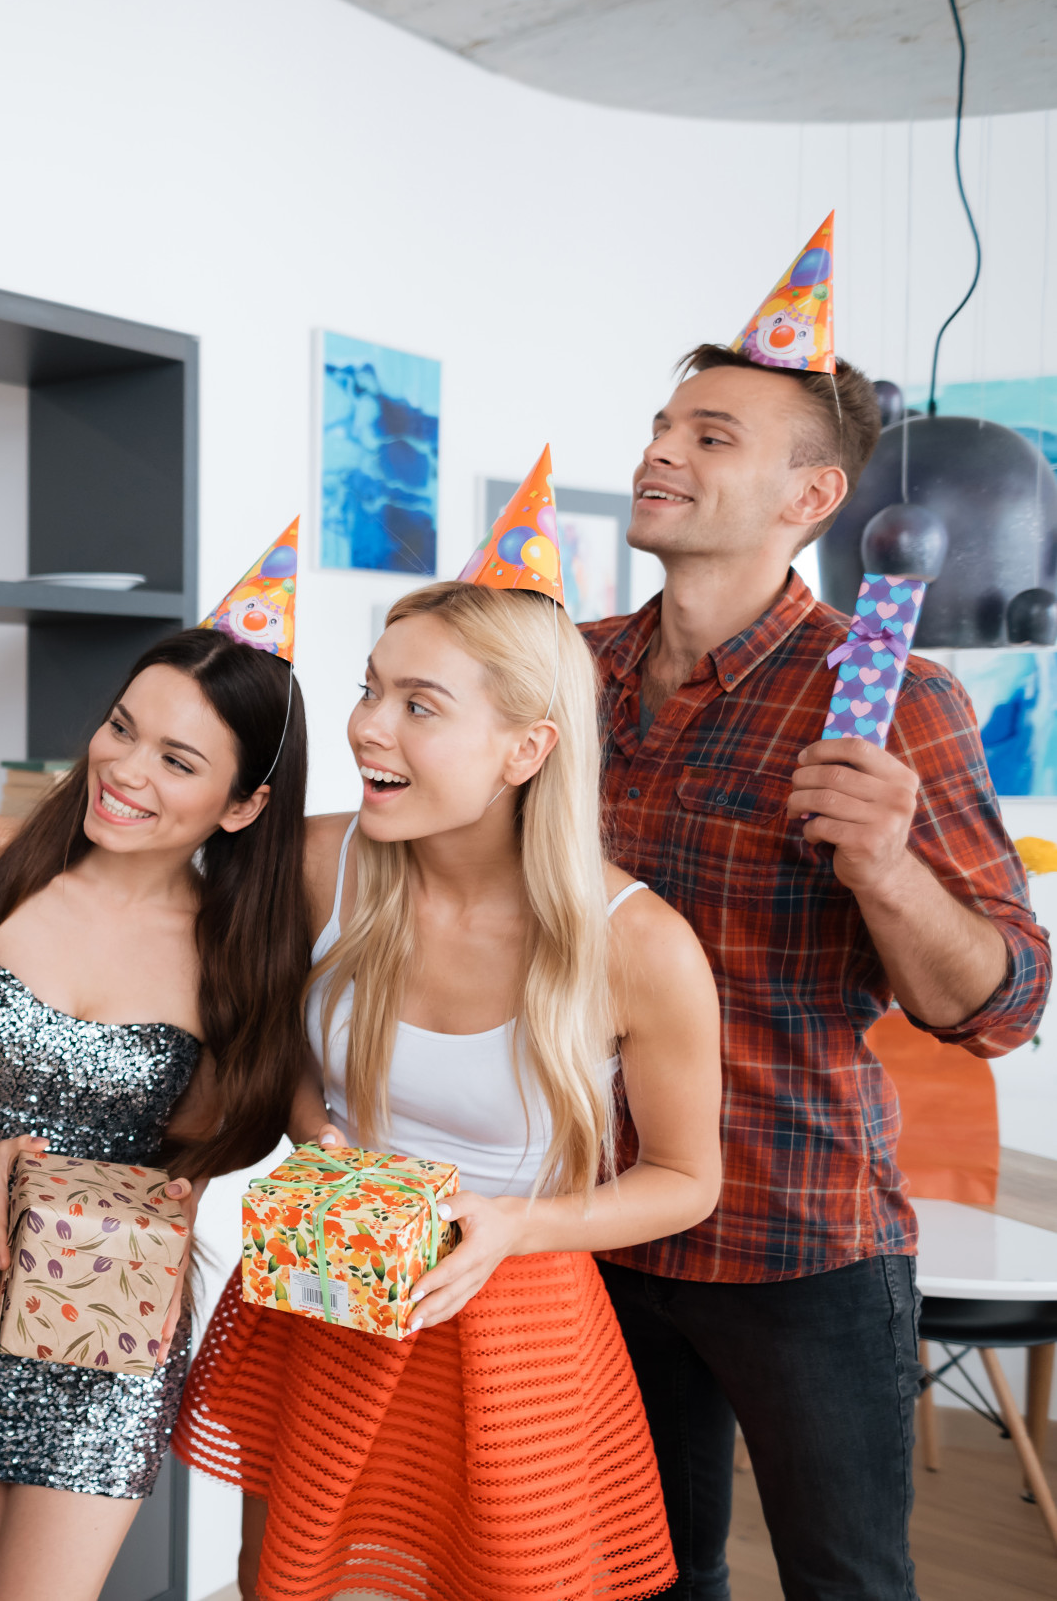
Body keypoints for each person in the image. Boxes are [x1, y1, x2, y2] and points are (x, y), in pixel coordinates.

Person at [588, 338, 1049, 1594]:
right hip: (590, 1226)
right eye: (662, 424)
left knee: (846, 1580)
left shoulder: (892, 696)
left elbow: (1002, 1003)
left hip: (798, 1241)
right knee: (640, 1578)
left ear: (810, 499)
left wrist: (890, 869)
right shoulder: (565, 678)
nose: (660, 451)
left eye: (710, 436)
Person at [172, 577, 726, 1601]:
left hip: (511, 1326)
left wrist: (517, 1225)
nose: (366, 728)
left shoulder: (640, 944)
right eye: (370, 690)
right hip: (324, 1300)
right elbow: (279, 1051)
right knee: (285, 1583)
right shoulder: (314, 861)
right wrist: (315, 1130)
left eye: (418, 706)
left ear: (526, 749)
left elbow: (687, 1180)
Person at [0, 621, 314, 1601]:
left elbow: (206, 1149)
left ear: (244, 803)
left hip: (104, 1319)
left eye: (177, 760)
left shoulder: (236, 959)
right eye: (121, 728)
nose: (125, 769)